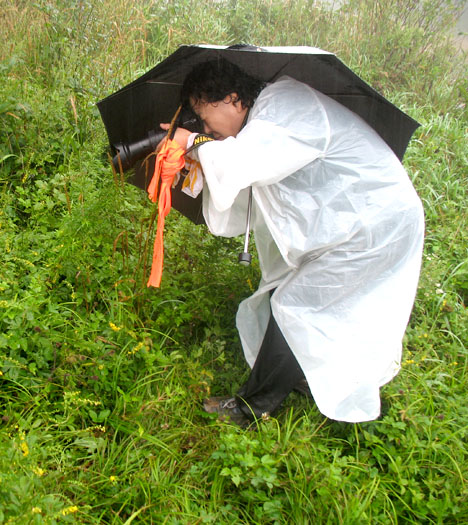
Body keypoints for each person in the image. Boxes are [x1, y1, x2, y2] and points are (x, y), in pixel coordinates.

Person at [160, 59, 424, 427]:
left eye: (206, 118)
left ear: (233, 98)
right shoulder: (265, 119)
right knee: (297, 299)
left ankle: (252, 408)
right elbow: (243, 187)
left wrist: (196, 143)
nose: (207, 128)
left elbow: (241, 164)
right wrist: (201, 154)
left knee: (295, 303)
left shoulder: (287, 106)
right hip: (354, 224)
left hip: (375, 225)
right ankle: (299, 376)